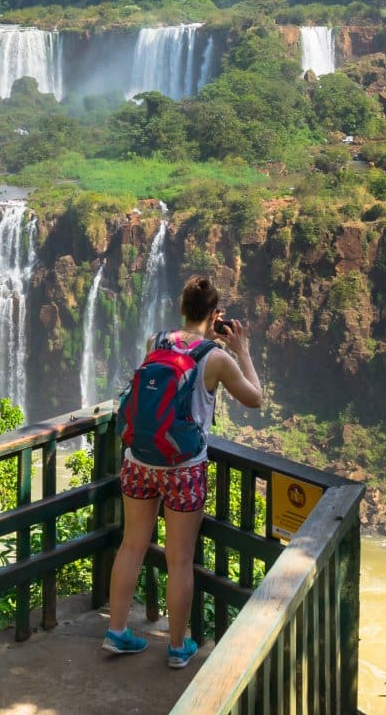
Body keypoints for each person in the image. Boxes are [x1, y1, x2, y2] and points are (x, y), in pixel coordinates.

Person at [102, 275, 262, 669]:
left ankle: (116, 631)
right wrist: (241, 350)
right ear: (215, 314)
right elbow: (255, 399)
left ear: (181, 308)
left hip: (139, 460)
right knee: (179, 560)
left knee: (132, 546)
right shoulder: (217, 358)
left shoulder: (154, 342)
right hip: (183, 470)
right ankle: (177, 648)